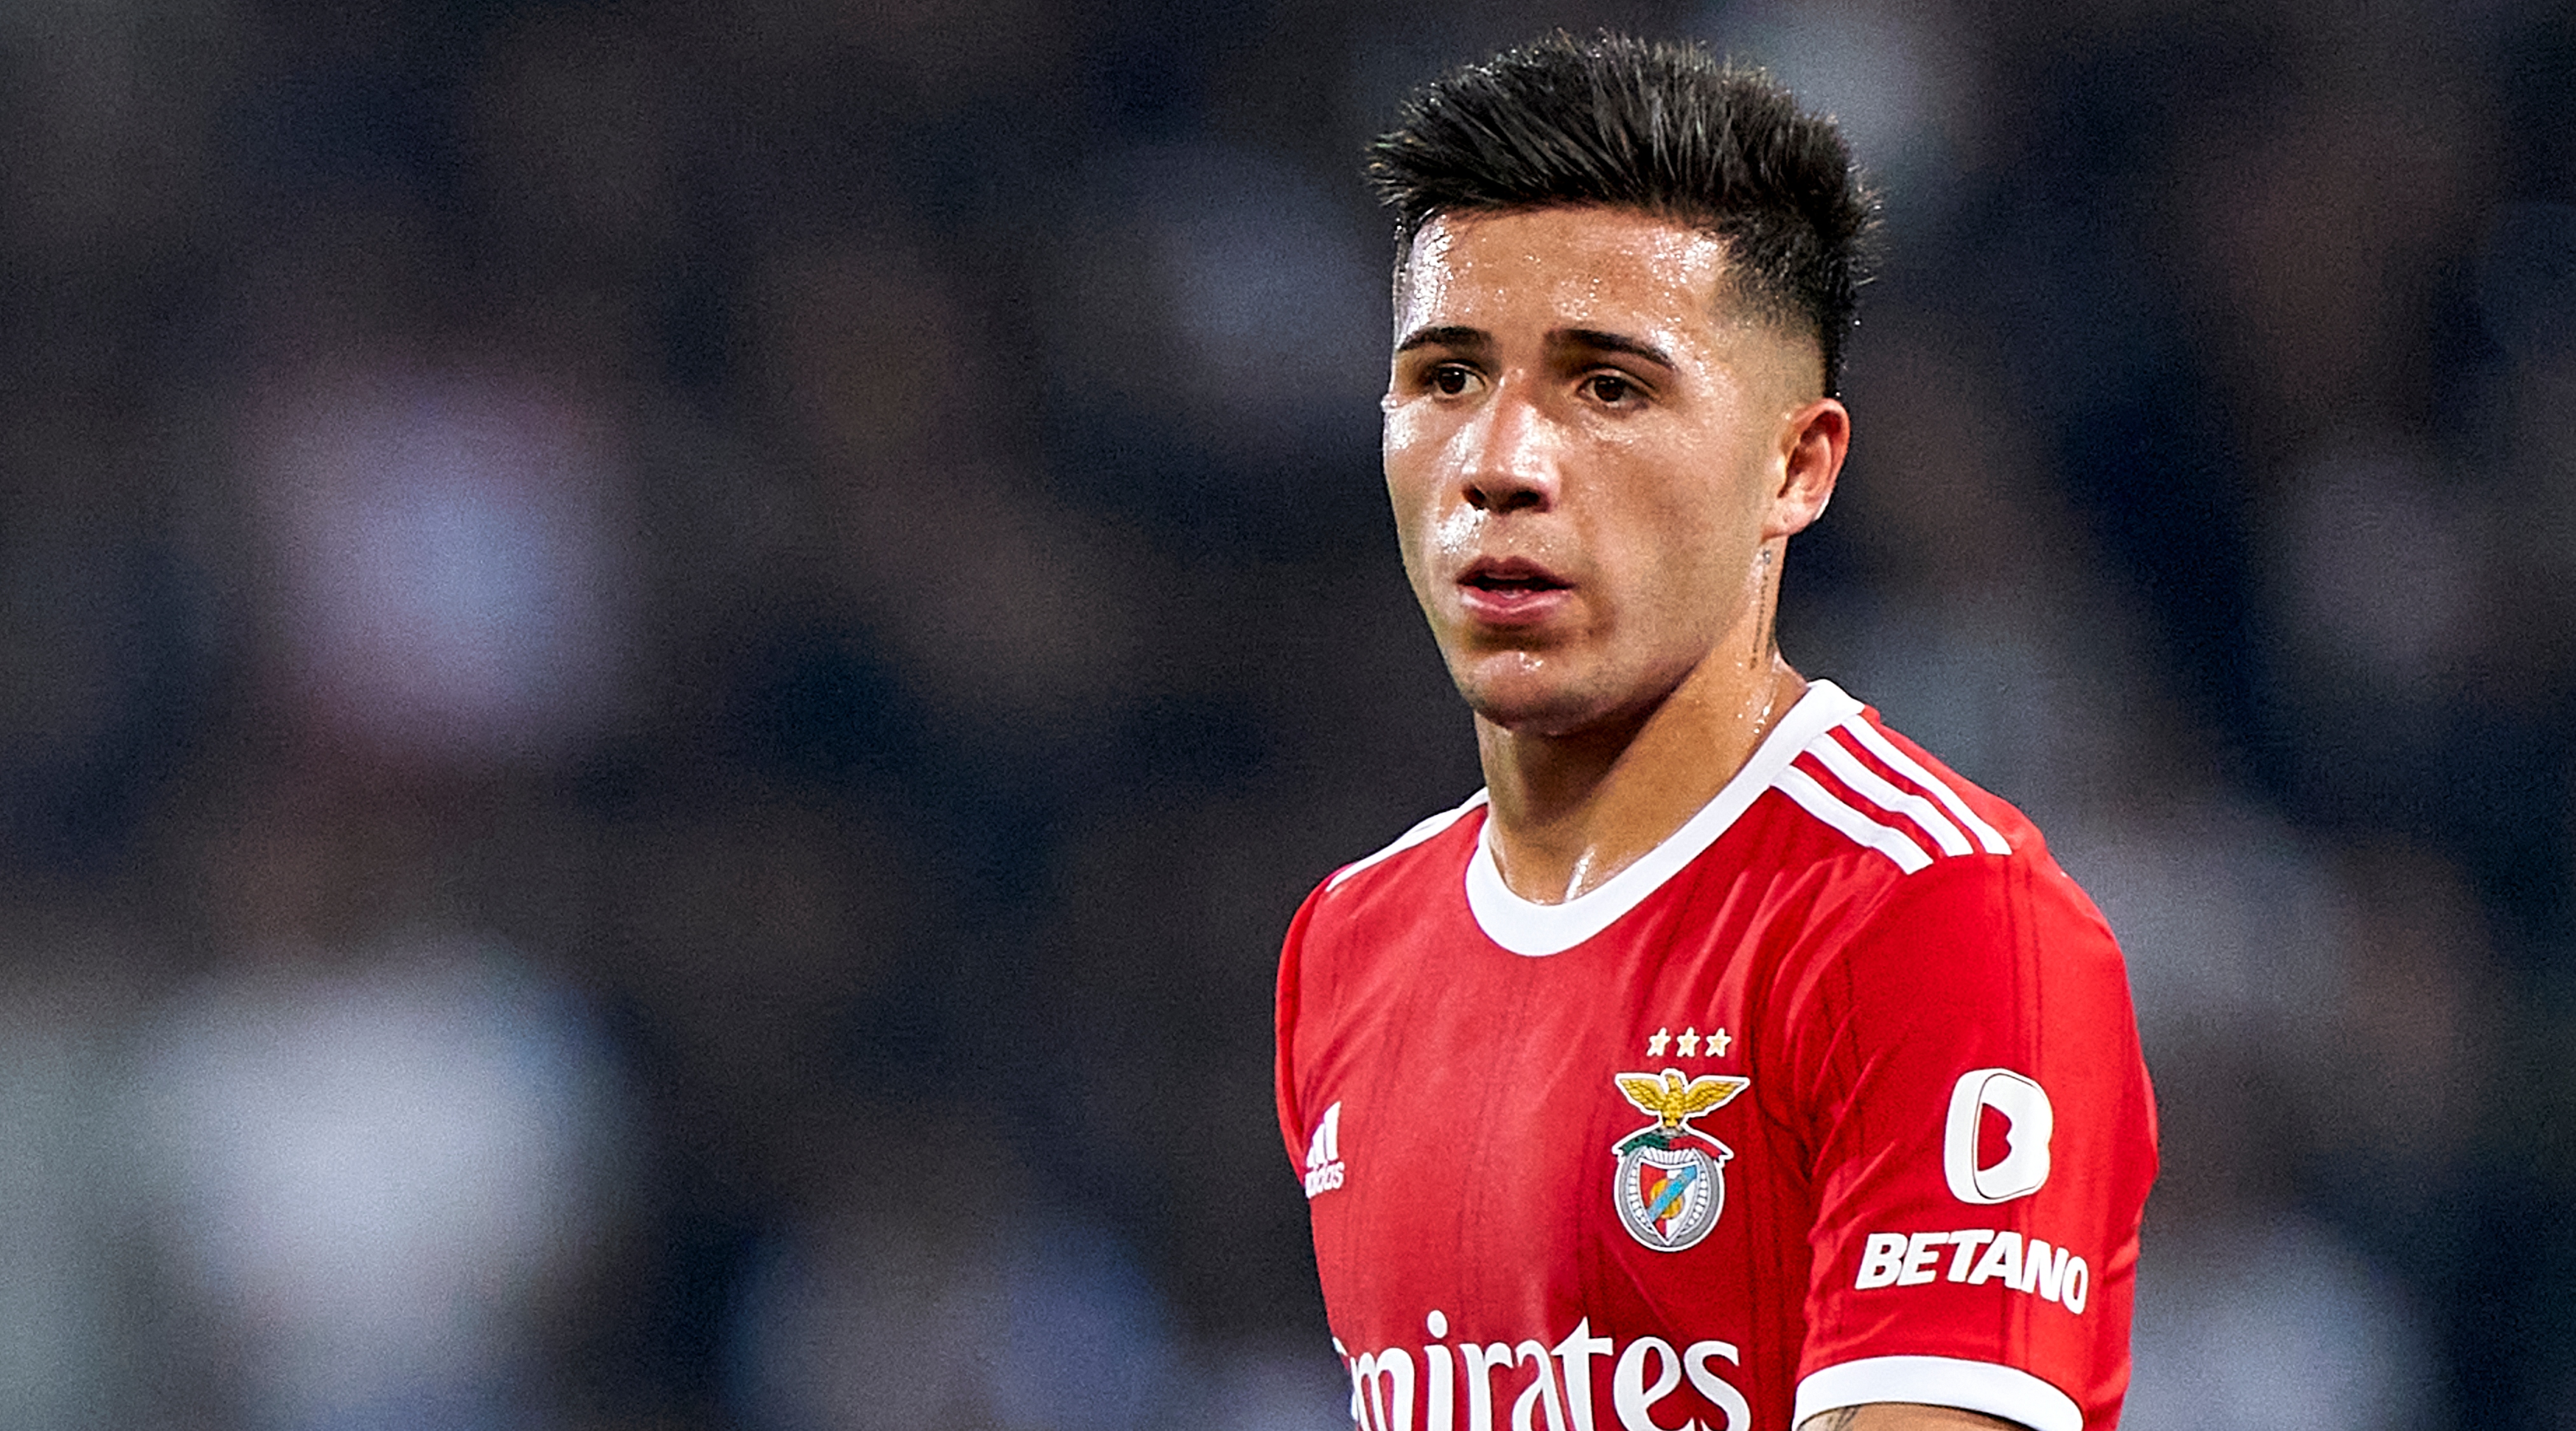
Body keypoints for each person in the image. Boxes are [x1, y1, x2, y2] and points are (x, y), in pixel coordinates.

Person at [1272, 34, 2157, 1431]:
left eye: (1608, 388)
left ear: (1795, 467)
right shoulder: (1347, 945)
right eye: (1445, 377)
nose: (1501, 465)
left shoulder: (1937, 918)